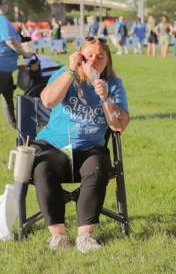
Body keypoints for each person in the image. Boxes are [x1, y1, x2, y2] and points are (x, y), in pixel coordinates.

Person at [34, 37, 129, 252]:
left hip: (90, 148)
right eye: (89, 56)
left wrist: (106, 99)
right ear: (79, 57)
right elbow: (48, 101)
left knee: (97, 168)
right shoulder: (63, 75)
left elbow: (119, 126)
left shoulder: (114, 84)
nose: (94, 61)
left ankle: (85, 237)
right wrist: (70, 71)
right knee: (42, 167)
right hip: (53, 145)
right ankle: (58, 237)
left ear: (107, 61)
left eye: (100, 57)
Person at [0, 0, 34, 129]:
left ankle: (13, 125)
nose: (7, 4)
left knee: (8, 94)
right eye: (5, 2)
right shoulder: (2, 20)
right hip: (2, 66)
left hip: (6, 67)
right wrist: (24, 53)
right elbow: (11, 41)